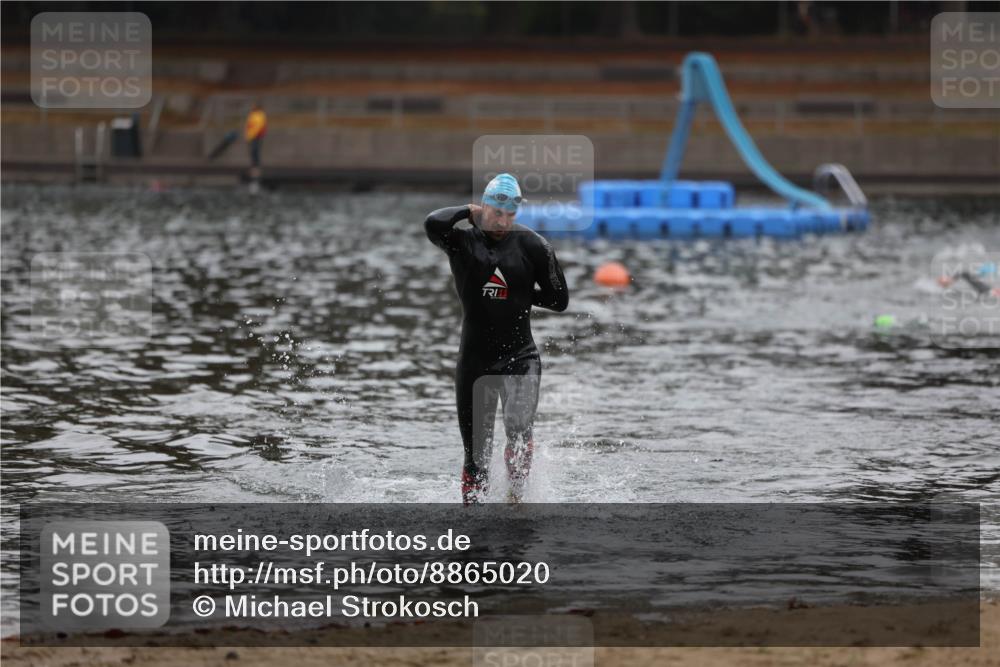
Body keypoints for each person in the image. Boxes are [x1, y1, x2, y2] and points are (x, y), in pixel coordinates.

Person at [425, 173, 569, 505]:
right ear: (483, 208)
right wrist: (466, 210)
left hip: (521, 358)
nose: (503, 221)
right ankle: (473, 517)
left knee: (518, 434)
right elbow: (433, 223)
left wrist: (519, 295)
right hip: (475, 363)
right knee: (476, 457)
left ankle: (516, 501)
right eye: (496, 213)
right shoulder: (461, 243)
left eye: (510, 214)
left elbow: (559, 300)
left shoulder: (533, 246)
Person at [244, 102, 267, 182]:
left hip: (257, 136)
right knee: (253, 152)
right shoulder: (252, 115)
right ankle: (254, 167)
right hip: (251, 136)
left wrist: (252, 134)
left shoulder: (260, 115)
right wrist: (248, 135)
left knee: (255, 151)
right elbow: (248, 125)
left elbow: (259, 126)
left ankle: (256, 168)